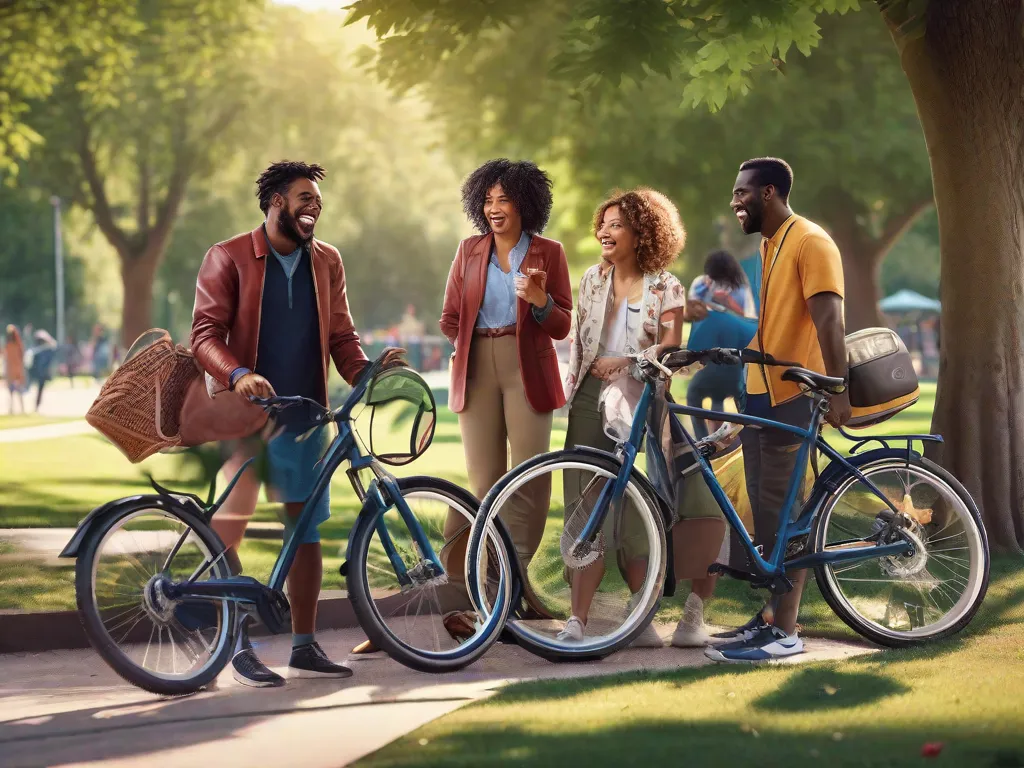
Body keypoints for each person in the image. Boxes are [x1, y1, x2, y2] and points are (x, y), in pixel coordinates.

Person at [190, 160, 403, 687]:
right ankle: (236, 644)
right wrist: (237, 373)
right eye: (304, 197)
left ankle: (304, 647)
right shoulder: (229, 256)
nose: (314, 207)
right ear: (275, 202)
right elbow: (204, 334)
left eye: (319, 202)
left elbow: (341, 338)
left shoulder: (327, 261)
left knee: (305, 532)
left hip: (306, 414)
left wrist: (368, 372)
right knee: (231, 522)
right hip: (244, 414)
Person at [558, 187, 725, 648]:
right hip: (590, 396)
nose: (604, 232)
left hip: (643, 393)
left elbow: (671, 343)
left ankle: (647, 614)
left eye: (617, 225)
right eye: (603, 224)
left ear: (642, 233)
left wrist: (628, 362)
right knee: (583, 503)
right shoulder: (592, 278)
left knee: (643, 501)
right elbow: (579, 342)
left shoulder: (664, 284)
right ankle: (578, 620)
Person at [706, 157, 850, 663]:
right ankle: (771, 618)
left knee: (787, 512)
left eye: (741, 192)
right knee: (767, 515)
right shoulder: (771, 244)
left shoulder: (811, 240)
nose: (734, 201)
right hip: (762, 392)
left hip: (796, 393)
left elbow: (829, 319)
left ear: (768, 192)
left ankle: (786, 634)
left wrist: (839, 390)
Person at [440, 158, 572, 571]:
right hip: (476, 366)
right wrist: (464, 348)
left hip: (526, 366)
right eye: (488, 199)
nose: (494, 208)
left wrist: (540, 303)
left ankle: (513, 578)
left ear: (525, 205)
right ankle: (462, 580)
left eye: (505, 199)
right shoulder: (469, 250)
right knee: (483, 483)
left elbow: (563, 324)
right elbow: (449, 319)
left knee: (529, 479)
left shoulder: (549, 253)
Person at [685, 251, 758, 440]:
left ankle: (711, 440)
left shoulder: (739, 290)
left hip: (731, 351)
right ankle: (708, 439)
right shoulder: (701, 283)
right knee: (709, 391)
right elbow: (694, 312)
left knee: (707, 393)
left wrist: (727, 301)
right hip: (711, 348)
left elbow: (746, 319)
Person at [689, 250, 756, 318]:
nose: (716, 285)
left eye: (721, 281)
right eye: (714, 280)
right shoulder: (700, 283)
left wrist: (728, 301)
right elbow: (690, 314)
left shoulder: (741, 291)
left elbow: (749, 320)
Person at [27, 330, 58, 412]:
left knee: (39, 390)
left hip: (41, 374)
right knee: (36, 389)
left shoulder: (47, 350)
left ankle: (36, 405)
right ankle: (36, 405)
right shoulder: (38, 350)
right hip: (38, 373)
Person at [3, 325, 26, 415]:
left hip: (15, 370)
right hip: (12, 370)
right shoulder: (9, 345)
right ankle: (12, 409)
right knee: (12, 391)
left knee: (18, 390)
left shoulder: (16, 345)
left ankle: (21, 409)